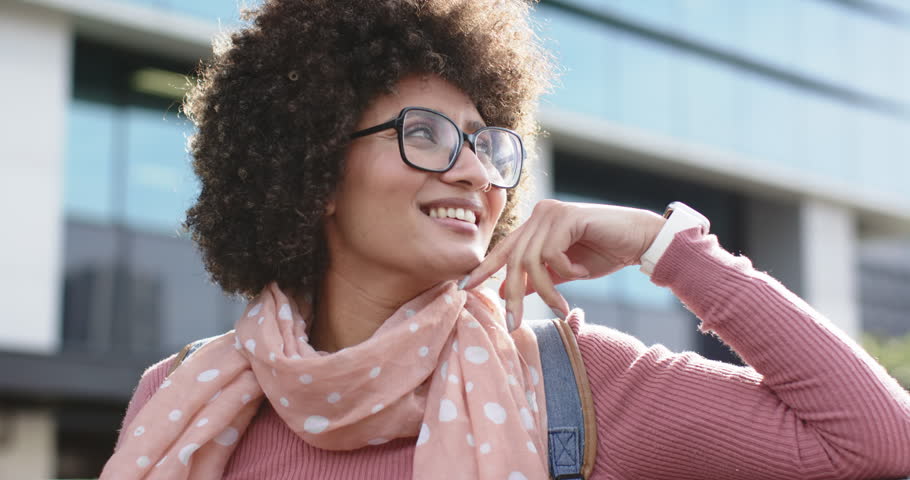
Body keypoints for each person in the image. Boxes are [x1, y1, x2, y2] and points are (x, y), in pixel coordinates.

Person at [100, 0, 910, 479]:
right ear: (309, 166)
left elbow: (876, 441)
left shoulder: (580, 383)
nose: (476, 174)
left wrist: (663, 245)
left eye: (486, 143)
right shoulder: (179, 397)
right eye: (425, 134)